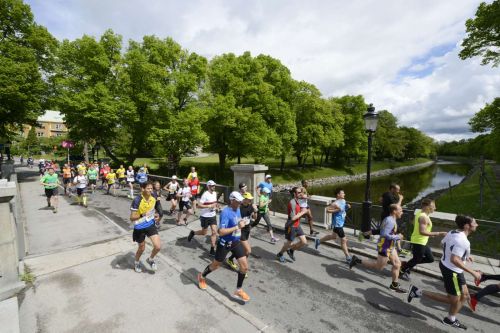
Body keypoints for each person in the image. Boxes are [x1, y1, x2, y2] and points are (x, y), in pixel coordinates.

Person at [407, 215, 481, 330]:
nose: (477, 225)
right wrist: (473, 273)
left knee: (465, 295)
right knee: (453, 300)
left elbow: (443, 244)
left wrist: (465, 255)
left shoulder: (452, 232)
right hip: (452, 271)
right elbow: (454, 259)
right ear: (467, 226)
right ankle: (417, 292)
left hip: (448, 266)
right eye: (475, 223)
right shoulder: (463, 241)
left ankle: (451, 318)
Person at [197, 191, 250, 302]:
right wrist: (237, 227)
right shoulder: (225, 212)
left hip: (235, 241)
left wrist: (242, 222)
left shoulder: (238, 209)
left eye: (241, 201)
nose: (240, 202)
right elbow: (220, 232)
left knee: (244, 267)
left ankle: (238, 290)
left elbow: (238, 221)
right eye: (238, 201)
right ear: (232, 200)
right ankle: (201, 276)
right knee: (216, 265)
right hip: (224, 243)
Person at [349, 204, 407, 293]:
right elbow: (384, 234)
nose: (402, 212)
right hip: (385, 247)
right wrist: (397, 237)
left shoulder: (391, 219)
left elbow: (383, 231)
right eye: (400, 210)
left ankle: (394, 285)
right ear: (394, 211)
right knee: (378, 267)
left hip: (390, 246)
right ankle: (356, 260)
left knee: (397, 264)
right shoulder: (390, 221)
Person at [399, 199, 447, 281]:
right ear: (427, 207)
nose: (435, 208)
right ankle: (402, 271)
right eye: (433, 206)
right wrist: (439, 233)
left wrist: (428, 233)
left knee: (430, 259)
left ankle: (406, 265)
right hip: (419, 241)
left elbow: (414, 223)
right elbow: (422, 232)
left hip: (422, 241)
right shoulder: (423, 217)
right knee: (416, 259)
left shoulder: (420, 213)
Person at [130, 182, 162, 273]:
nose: (150, 190)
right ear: (142, 189)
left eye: (151, 188)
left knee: (158, 246)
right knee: (142, 248)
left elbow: (152, 210)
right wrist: (142, 215)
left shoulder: (153, 198)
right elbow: (132, 218)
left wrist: (155, 215)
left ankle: (150, 259)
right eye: (148, 188)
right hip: (139, 227)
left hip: (150, 225)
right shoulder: (137, 200)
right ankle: (136, 262)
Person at [315, 188, 353, 263]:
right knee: (344, 240)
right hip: (337, 223)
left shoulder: (343, 201)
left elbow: (342, 209)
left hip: (341, 222)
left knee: (333, 236)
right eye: (342, 193)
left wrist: (347, 206)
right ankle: (348, 257)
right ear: (338, 195)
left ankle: (318, 241)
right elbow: (327, 210)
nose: (344, 194)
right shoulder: (335, 203)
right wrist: (336, 210)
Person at [226, 192, 257, 273]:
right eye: (249, 199)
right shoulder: (239, 208)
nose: (250, 200)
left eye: (251, 199)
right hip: (240, 231)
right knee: (248, 251)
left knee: (242, 249)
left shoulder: (250, 206)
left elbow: (254, 218)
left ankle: (230, 259)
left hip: (247, 229)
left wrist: (256, 211)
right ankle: (243, 267)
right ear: (244, 199)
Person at [276, 187, 309, 263]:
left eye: (301, 192)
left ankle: (291, 250)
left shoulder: (298, 201)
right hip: (291, 226)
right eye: (298, 192)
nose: (301, 193)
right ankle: (280, 254)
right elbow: (293, 218)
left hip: (297, 225)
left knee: (304, 242)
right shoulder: (292, 203)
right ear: (294, 194)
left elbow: (301, 209)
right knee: (289, 243)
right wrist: (303, 212)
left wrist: (303, 209)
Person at [187, 180, 218, 256]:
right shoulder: (205, 194)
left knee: (214, 232)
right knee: (204, 233)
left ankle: (212, 249)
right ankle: (193, 233)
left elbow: (215, 203)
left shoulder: (215, 193)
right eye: (212, 186)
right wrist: (208, 206)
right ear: (208, 186)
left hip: (213, 215)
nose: (213, 187)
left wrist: (217, 207)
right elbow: (198, 205)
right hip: (205, 216)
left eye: (214, 185)